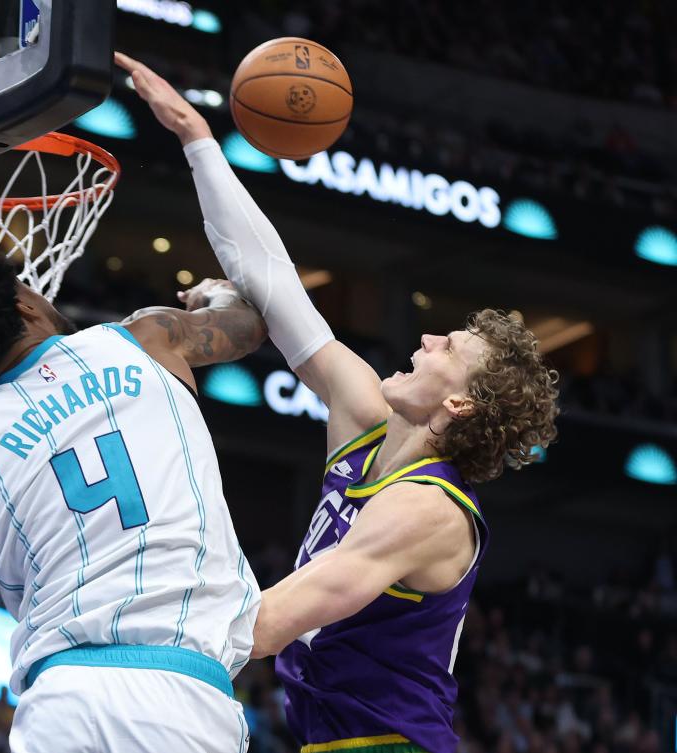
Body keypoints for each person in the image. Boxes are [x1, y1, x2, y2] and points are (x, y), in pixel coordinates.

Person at [118, 51, 560, 753]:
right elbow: (273, 281)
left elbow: (265, 626)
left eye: (448, 346)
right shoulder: (364, 420)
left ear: (459, 404)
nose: (425, 336)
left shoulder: (429, 511)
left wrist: (121, 638)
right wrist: (196, 139)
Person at [0, 239, 266, 753]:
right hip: (175, 689)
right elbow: (247, 326)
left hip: (57, 701)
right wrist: (214, 294)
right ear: (24, 304)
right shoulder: (147, 337)